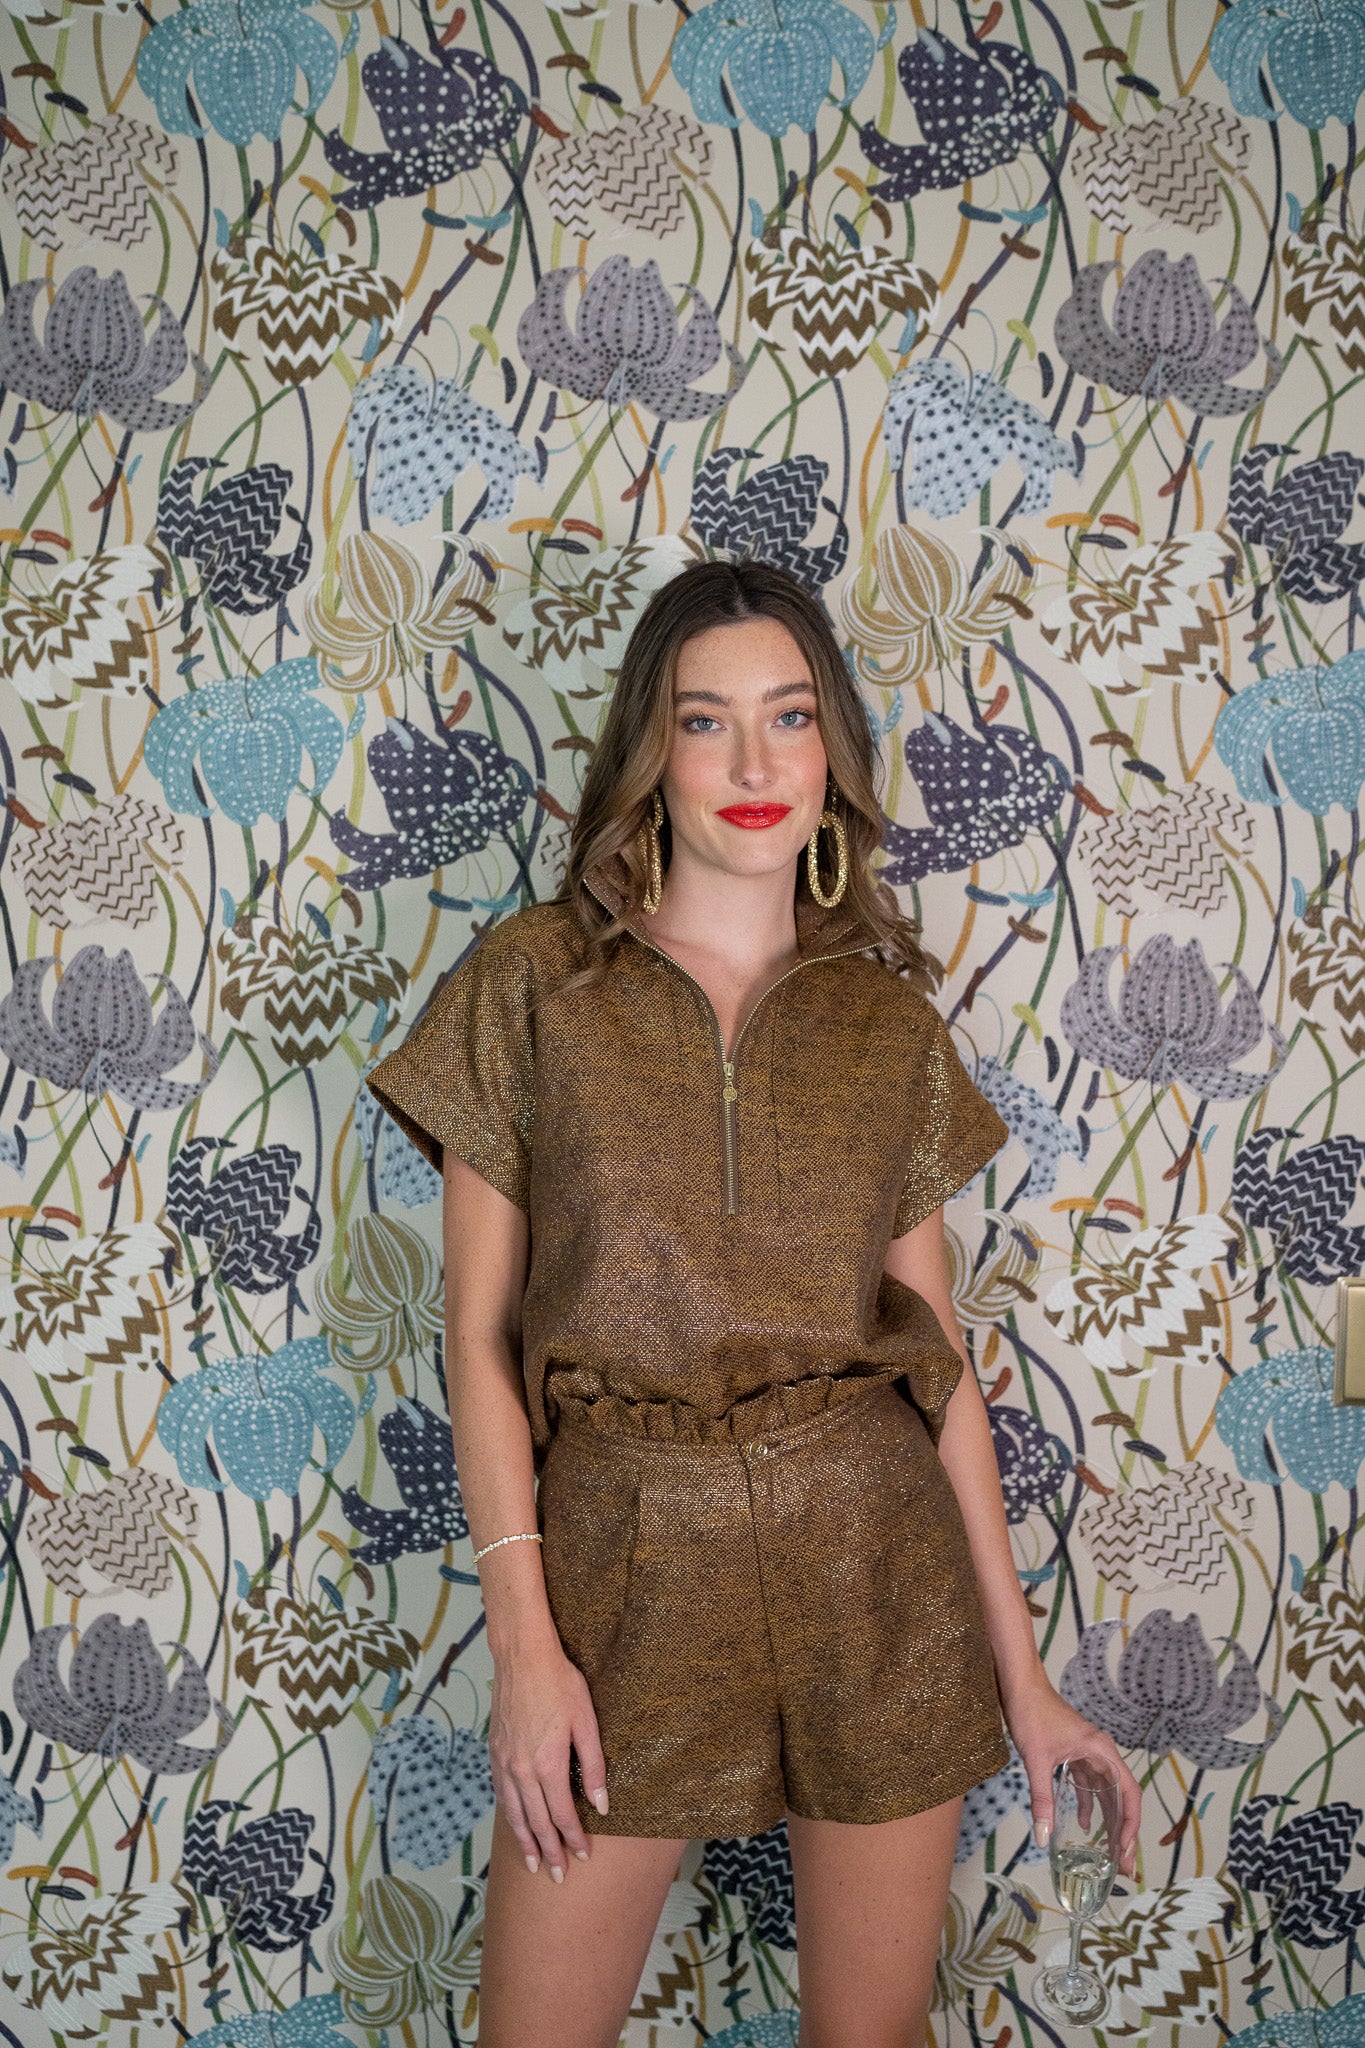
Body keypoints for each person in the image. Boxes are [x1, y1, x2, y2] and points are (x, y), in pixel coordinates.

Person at [368, 558, 1143, 2048]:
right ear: (649, 753)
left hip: (874, 1568)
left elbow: (936, 1364)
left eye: (788, 717)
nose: (750, 764)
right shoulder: (531, 984)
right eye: (702, 720)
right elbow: (474, 1336)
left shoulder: (886, 1020)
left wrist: (1026, 1682)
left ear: (831, 749)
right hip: (624, 1572)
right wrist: (525, 1650)